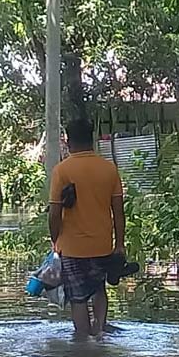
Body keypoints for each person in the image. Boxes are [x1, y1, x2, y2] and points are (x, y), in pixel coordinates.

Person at [48, 120, 132, 338]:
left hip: (72, 247)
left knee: (77, 297)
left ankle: (83, 344)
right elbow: (118, 212)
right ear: (92, 139)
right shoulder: (109, 169)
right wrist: (120, 244)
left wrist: (55, 240)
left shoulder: (61, 170)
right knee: (99, 289)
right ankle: (99, 334)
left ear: (68, 140)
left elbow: (54, 213)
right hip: (102, 244)